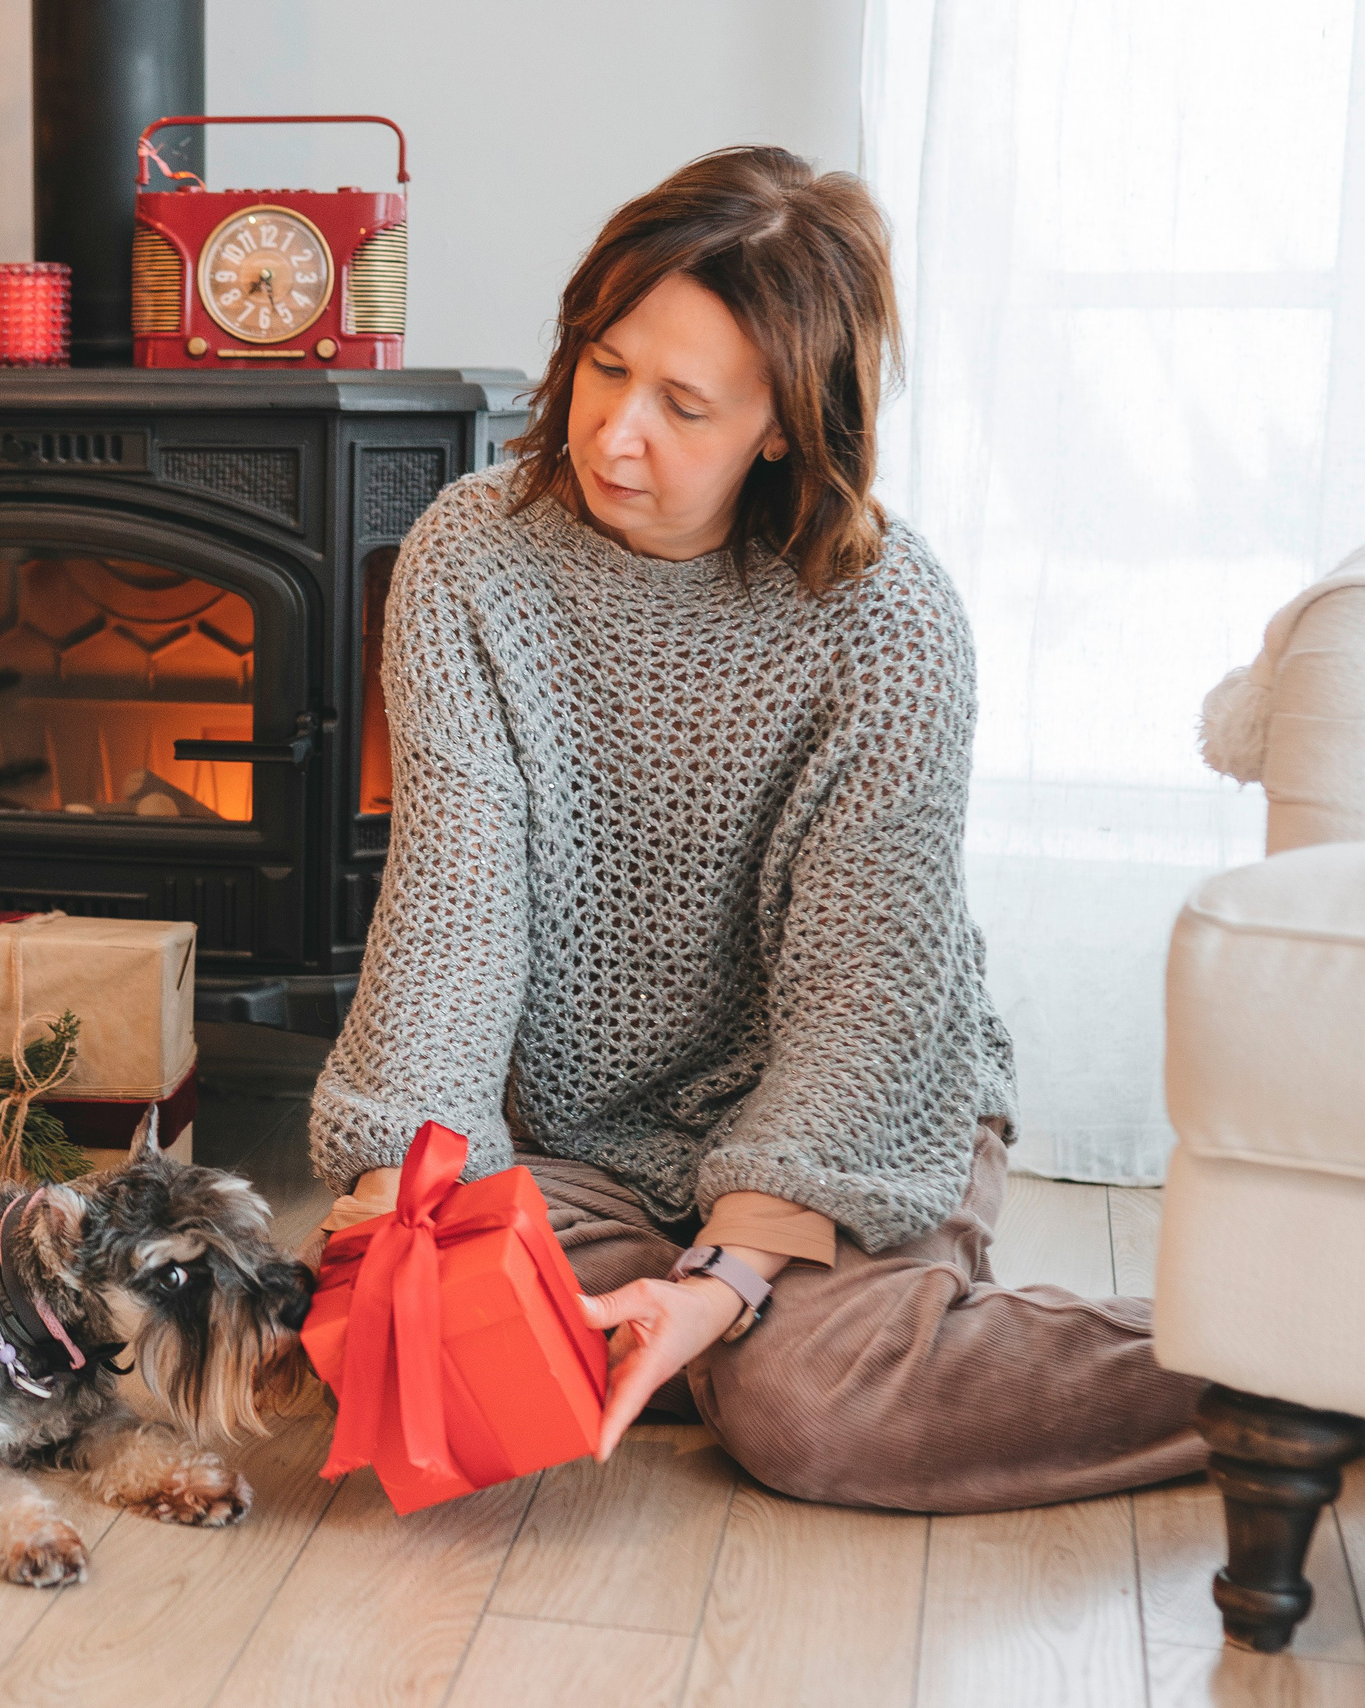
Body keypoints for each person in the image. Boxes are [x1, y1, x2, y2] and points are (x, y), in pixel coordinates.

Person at [307, 146, 1204, 1511]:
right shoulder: (467, 560)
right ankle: (713, 1350)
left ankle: (1282, 1367)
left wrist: (727, 1280)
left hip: (860, 1111)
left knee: (809, 1411)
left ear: (783, 422)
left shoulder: (889, 616)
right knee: (406, 1326)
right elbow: (453, 905)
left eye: (683, 404)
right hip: (589, 1141)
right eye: (606, 370)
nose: (615, 435)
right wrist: (404, 1187)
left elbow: (870, 991)